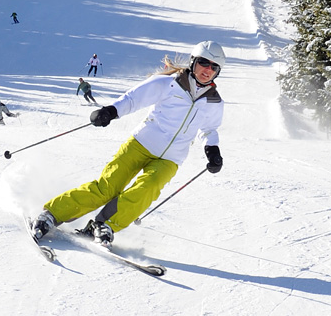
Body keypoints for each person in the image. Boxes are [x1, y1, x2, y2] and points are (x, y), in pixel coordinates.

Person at [31, 41, 227, 247]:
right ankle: (51, 214)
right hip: (141, 143)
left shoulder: (214, 102)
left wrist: (212, 150)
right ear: (194, 61)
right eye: (204, 63)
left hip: (171, 158)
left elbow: (209, 130)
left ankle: (104, 225)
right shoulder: (168, 84)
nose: (208, 70)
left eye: (214, 67)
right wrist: (111, 111)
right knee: (107, 188)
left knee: (146, 191)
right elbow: (133, 99)